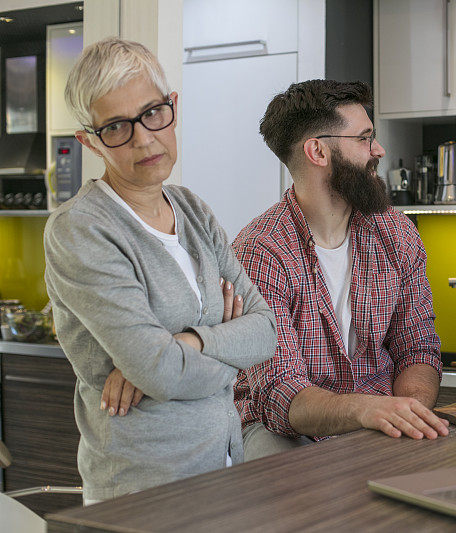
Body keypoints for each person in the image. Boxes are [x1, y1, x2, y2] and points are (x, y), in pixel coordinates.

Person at [43, 38, 277, 503]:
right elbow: (162, 373)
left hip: (224, 472)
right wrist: (221, 351)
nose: (144, 138)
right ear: (89, 141)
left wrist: (184, 343)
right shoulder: (80, 230)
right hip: (142, 493)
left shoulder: (191, 209)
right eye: (116, 127)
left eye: (153, 112)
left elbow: (266, 332)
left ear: (173, 106)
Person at [232, 79, 448, 459]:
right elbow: (282, 392)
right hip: (285, 433)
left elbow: (417, 347)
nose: (379, 150)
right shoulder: (260, 251)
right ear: (317, 151)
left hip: (380, 420)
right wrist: (369, 410)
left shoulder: (396, 233)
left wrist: (409, 409)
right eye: (365, 139)